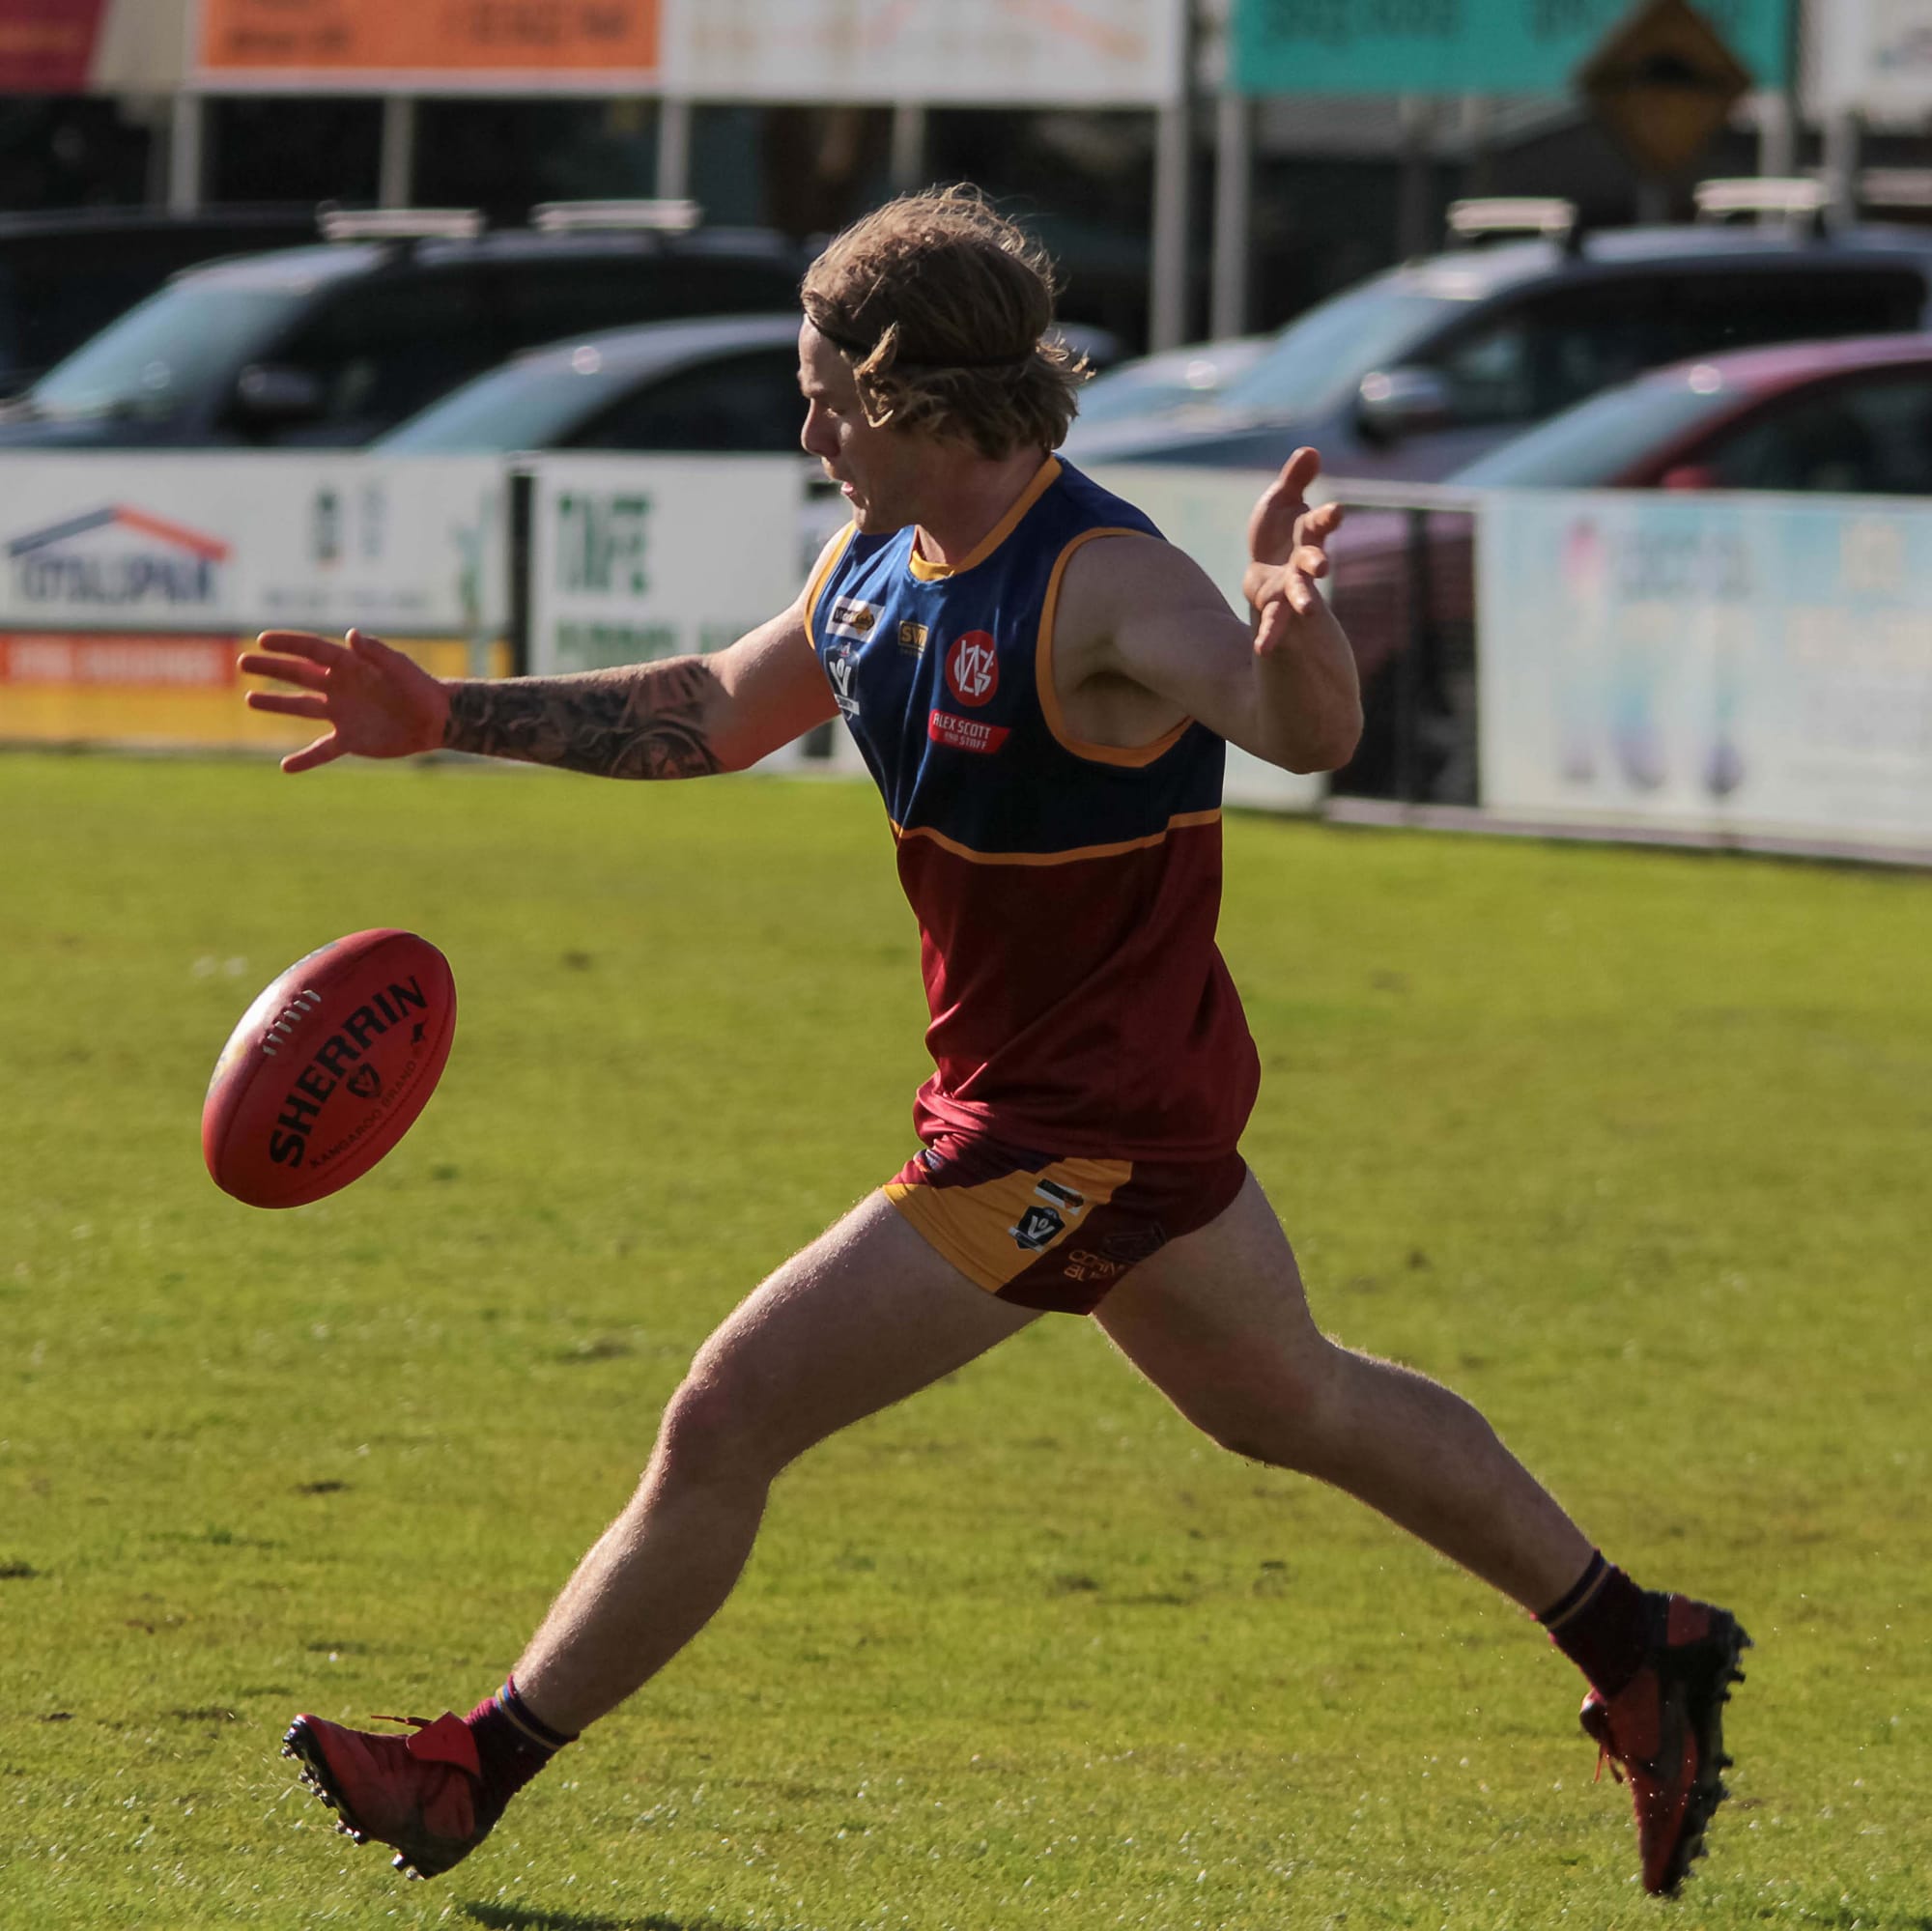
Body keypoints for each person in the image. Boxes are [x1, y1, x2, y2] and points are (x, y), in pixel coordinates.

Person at [245, 186, 1747, 1900]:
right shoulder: (880, 566)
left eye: (826, 393)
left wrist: (1296, 635)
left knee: (727, 1415)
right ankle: (1646, 1648)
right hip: (1073, 1103)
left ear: (910, 395)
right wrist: (446, 717)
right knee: (1298, 1402)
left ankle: (468, 1770)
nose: (804, 426)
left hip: (1072, 1134)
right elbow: (720, 712)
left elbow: (1294, 729)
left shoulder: (1103, 584)